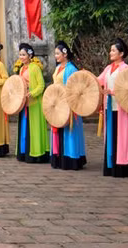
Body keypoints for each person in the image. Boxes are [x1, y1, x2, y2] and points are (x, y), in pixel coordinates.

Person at [97, 38, 128, 177]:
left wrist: (113, 92)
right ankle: (111, 164)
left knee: (122, 136)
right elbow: (99, 80)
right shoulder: (108, 68)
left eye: (113, 50)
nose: (110, 52)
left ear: (121, 53)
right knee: (111, 135)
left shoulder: (125, 69)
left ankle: (123, 165)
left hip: (122, 107)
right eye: (110, 50)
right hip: (109, 106)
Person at [49, 41, 86, 170]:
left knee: (69, 130)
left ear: (65, 54)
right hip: (58, 102)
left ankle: (71, 157)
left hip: (68, 103)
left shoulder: (71, 69)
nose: (56, 56)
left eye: (58, 53)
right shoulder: (58, 68)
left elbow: (74, 88)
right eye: (55, 53)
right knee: (58, 128)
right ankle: (59, 156)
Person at [15, 43, 49, 163]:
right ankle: (24, 151)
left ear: (30, 55)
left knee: (34, 127)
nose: (21, 57)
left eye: (23, 54)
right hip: (24, 102)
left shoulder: (34, 68)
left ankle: (36, 153)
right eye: (20, 55)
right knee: (25, 125)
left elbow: (41, 85)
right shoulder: (20, 69)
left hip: (34, 102)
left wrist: (33, 93)